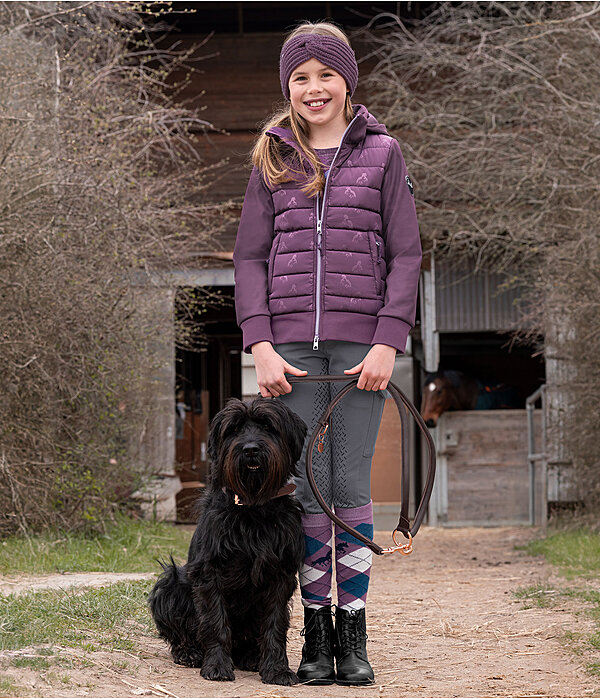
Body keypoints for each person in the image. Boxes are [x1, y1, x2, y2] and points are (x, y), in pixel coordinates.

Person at [232, 20, 422, 687]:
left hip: (359, 349)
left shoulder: (384, 153)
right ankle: (315, 631)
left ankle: (354, 632)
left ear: (348, 82)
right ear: (289, 87)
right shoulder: (273, 157)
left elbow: (406, 256)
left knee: (348, 486)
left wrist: (385, 343)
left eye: (325, 75)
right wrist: (259, 342)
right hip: (287, 351)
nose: (314, 89)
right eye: (301, 78)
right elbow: (249, 256)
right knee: (308, 488)